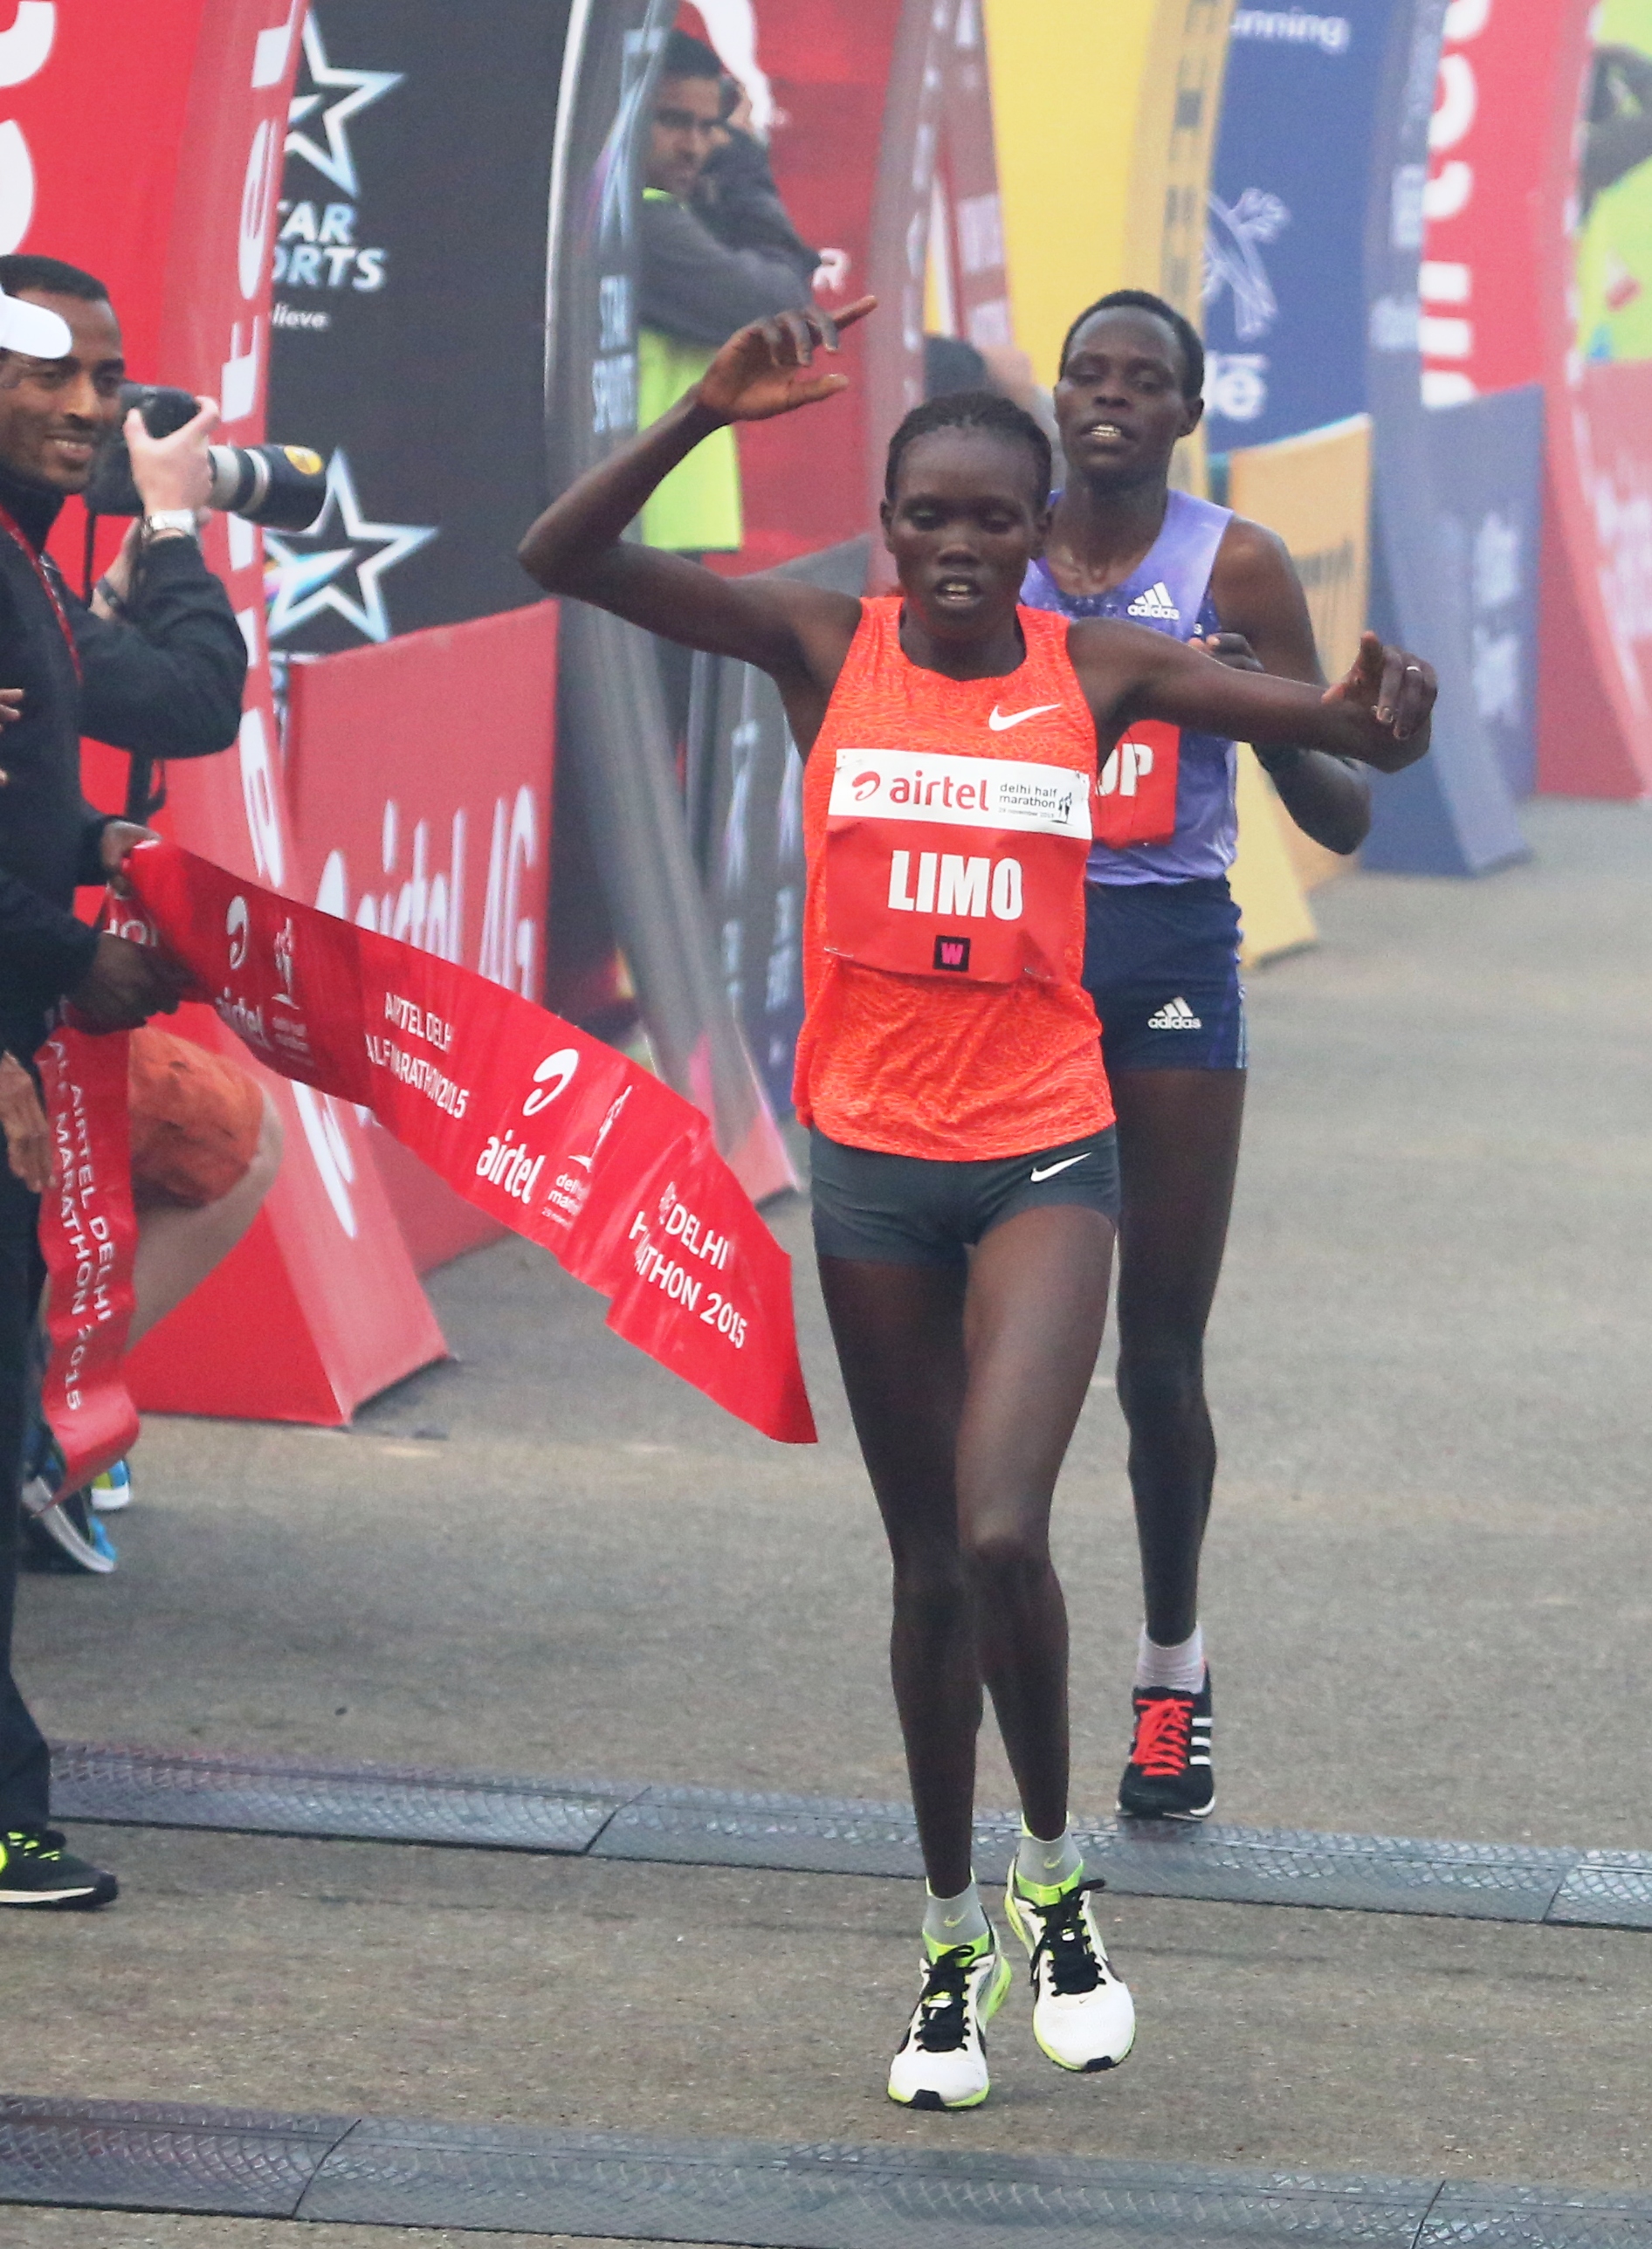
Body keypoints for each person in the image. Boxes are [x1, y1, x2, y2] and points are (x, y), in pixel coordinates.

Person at [518, 302, 1433, 2109]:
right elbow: (561, 554)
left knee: (1005, 1530)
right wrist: (703, 406)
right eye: (923, 517)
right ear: (884, 526)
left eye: (988, 522)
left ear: (1034, 538)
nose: (954, 546)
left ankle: (1051, 1879)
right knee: (925, 1567)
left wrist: (1368, 724)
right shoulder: (811, 639)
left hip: (1040, 1148)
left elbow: (1314, 729)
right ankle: (945, 1936)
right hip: (867, 1172)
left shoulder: (1092, 669)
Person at [1019, 289, 1378, 1826]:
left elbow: (1344, 810)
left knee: (1154, 1359)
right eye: (1088, 374)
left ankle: (1172, 1673)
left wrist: (1254, 702)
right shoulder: (989, 539)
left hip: (1166, 962)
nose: (1110, 398)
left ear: (1186, 411)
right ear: (1055, 397)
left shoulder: (1231, 563)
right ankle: (996, 1639)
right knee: (997, 1355)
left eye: (1142, 380)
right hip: (1009, 962)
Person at [0, 252, 246, 1905]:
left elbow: (179, 700)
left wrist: (86, 844)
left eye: (108, 376)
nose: (89, 406)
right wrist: (54, 952)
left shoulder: (24, 564)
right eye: (53, 376)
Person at [637, 29, 817, 558]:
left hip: (651, 520)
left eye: (708, 127)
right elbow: (780, 302)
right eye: (672, 121)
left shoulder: (665, 211)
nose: (694, 147)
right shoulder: (643, 222)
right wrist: (742, 163)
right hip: (641, 524)